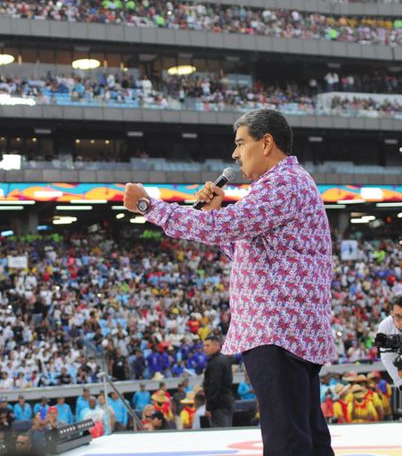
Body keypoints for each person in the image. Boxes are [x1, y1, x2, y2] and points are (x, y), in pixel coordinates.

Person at [124, 109, 335, 456]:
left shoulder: (283, 183)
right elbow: (251, 255)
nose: (235, 154)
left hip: (278, 331)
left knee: (287, 439)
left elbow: (221, 230)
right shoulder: (286, 183)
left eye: (240, 143)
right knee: (307, 436)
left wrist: (149, 206)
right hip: (290, 332)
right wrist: (214, 214)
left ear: (266, 143)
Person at [202, 336, 234, 427]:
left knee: (222, 433)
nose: (205, 348)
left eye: (208, 345)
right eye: (204, 345)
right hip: (227, 400)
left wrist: (209, 407)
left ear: (216, 346)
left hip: (218, 405)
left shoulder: (215, 363)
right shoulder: (224, 359)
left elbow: (215, 386)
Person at [376, 295, 402, 389]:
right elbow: (386, 358)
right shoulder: (385, 325)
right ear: (391, 313)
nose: (401, 322)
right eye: (398, 317)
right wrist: (399, 381)